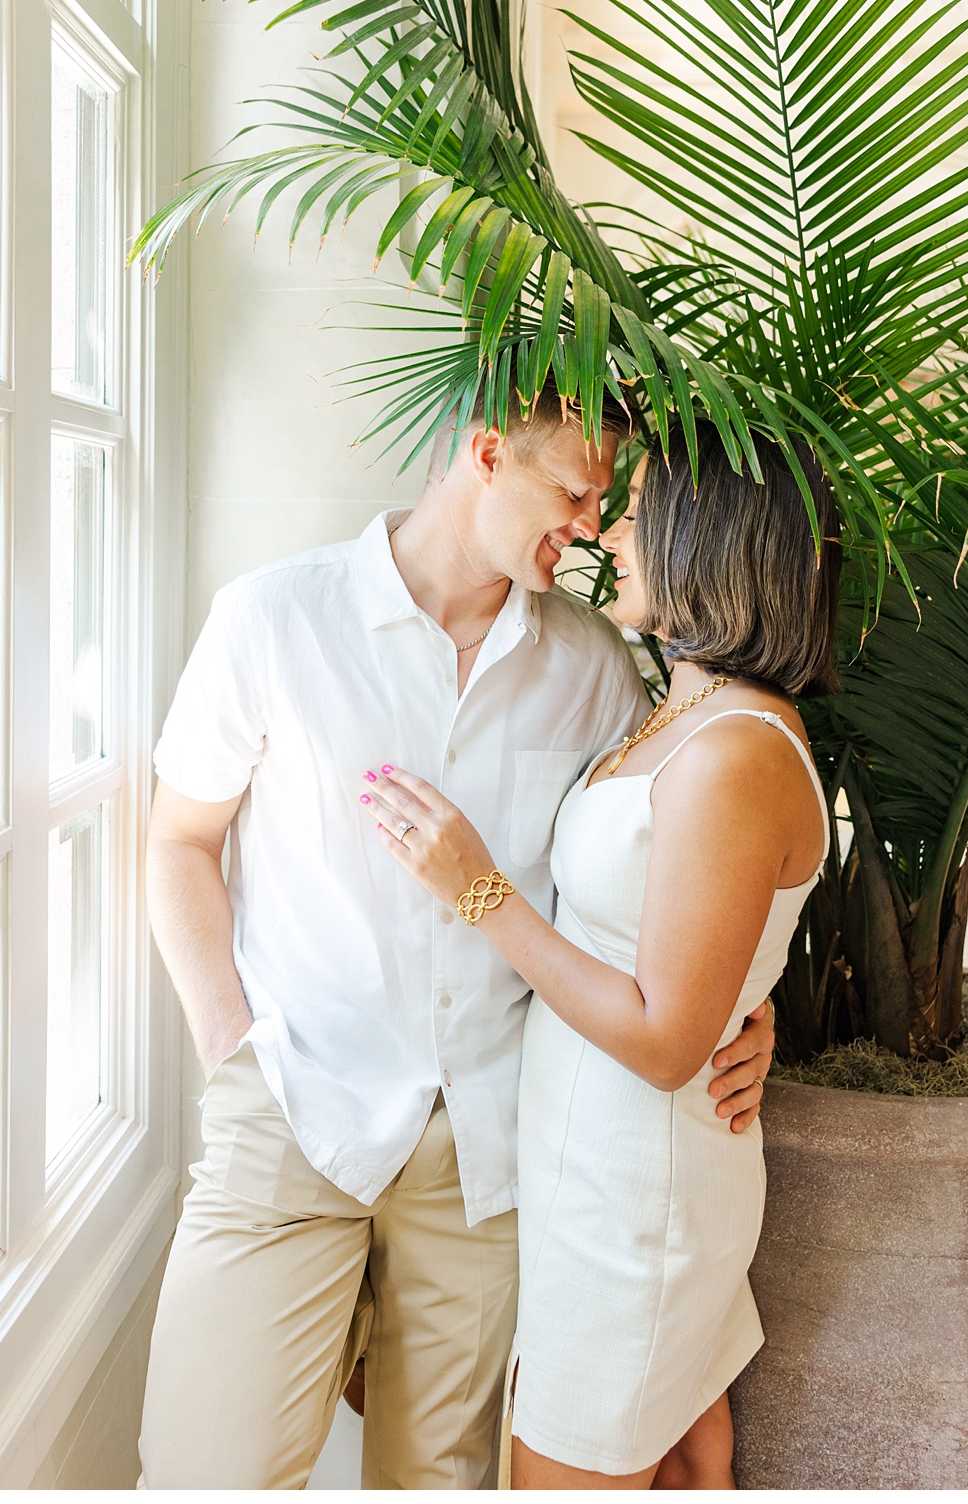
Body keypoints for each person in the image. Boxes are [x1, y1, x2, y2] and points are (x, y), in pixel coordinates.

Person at [137, 382, 778, 1489]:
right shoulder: (272, 619)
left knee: (439, 1484)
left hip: (491, 1154)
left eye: (604, 502)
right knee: (205, 1471)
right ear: (487, 453)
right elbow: (178, 845)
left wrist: (748, 1005)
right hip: (292, 1108)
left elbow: (657, 875)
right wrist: (232, 1049)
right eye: (575, 492)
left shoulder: (594, 670)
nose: (590, 527)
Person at [360, 420, 840, 1489]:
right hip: (597, 1188)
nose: (607, 533)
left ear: (704, 537)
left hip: (638, 1204)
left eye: (635, 511)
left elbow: (670, 1041)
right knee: (679, 1463)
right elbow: (690, 955)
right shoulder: (685, 712)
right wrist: (751, 1007)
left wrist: (475, 889)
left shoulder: (734, 753)